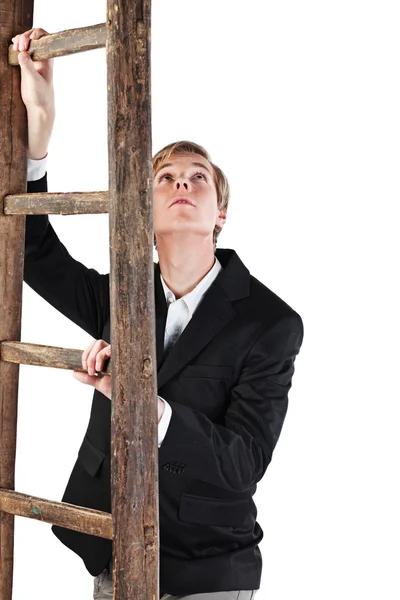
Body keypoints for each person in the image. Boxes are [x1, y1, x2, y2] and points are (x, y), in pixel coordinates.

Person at [14, 27, 304, 600]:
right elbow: (31, 251)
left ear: (221, 213)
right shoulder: (121, 294)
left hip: (207, 568)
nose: (183, 185)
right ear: (143, 211)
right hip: (113, 547)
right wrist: (38, 138)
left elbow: (244, 463)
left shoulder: (271, 323)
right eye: (166, 179)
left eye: (199, 179)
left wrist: (140, 401)